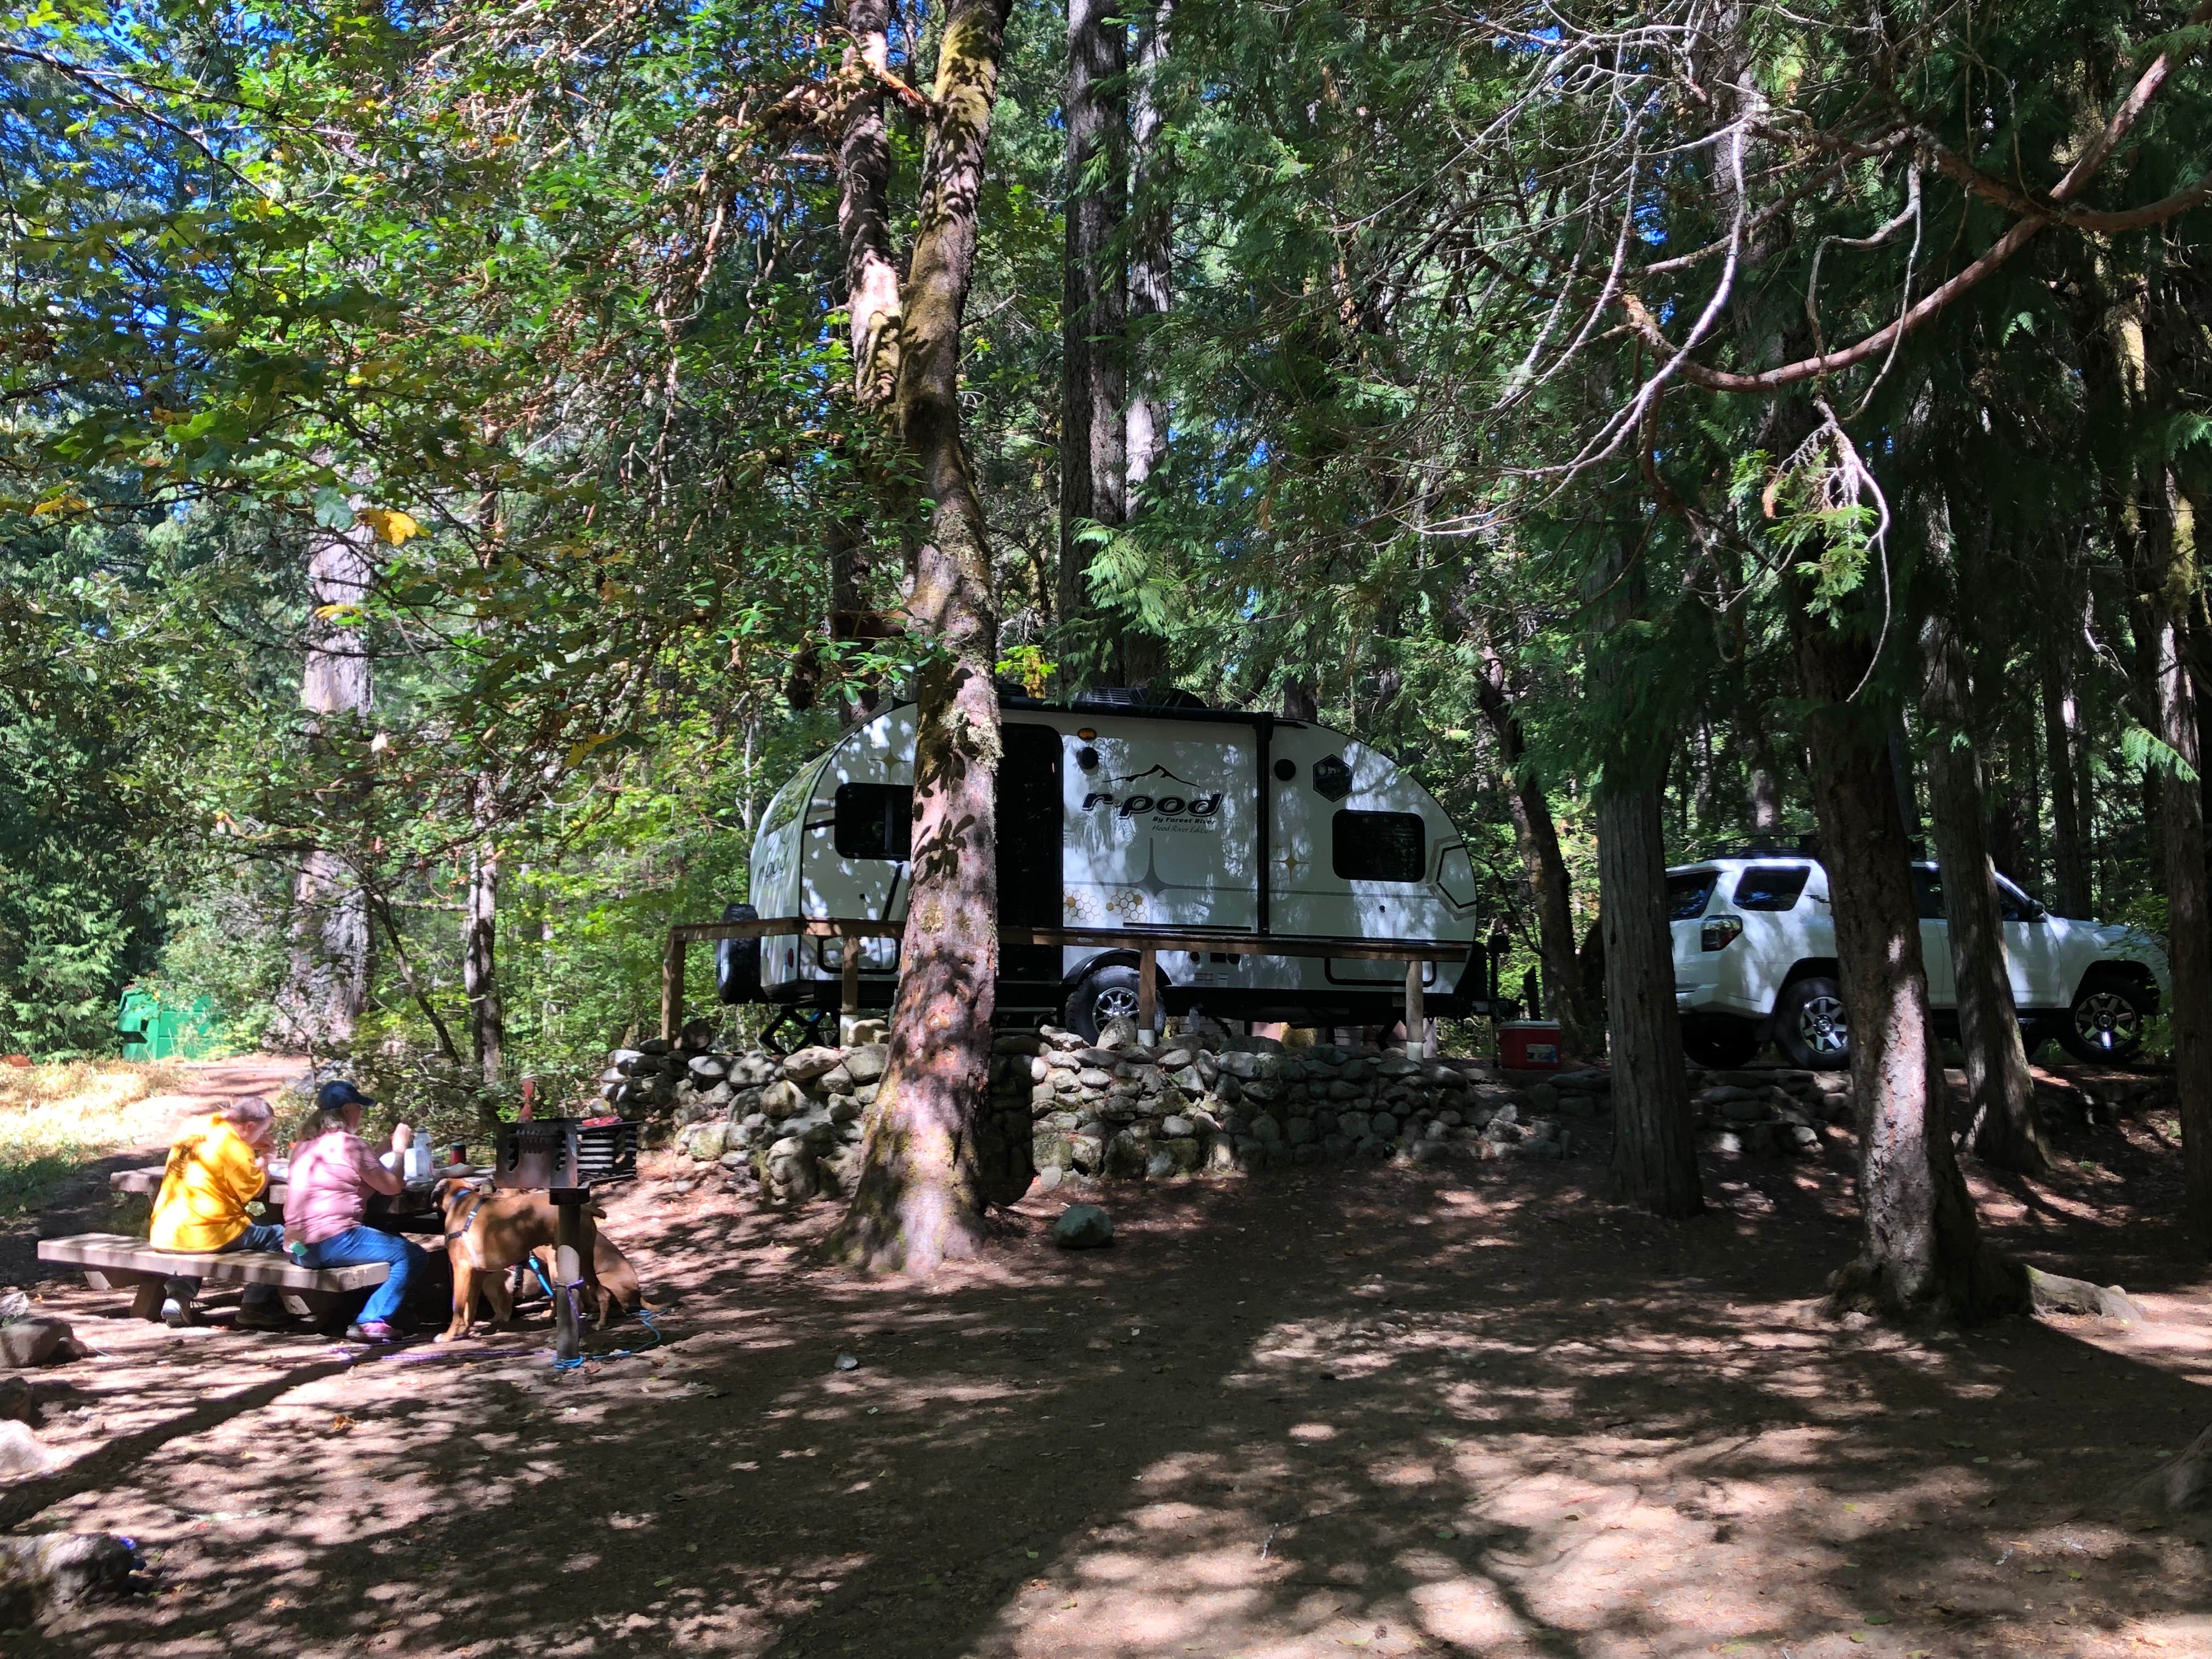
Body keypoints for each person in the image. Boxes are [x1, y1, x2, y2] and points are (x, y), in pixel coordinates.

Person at [285, 1080, 427, 1343]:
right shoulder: (351, 1144)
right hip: (332, 1242)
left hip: (298, 1249)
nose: (362, 1114)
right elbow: (392, 1187)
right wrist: (398, 1152)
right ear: (349, 1109)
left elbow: (351, 1179)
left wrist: (379, 1151)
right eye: (360, 1108)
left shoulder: (304, 1145)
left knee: (385, 1242)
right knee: (412, 1255)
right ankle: (371, 1320)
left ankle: (369, 1309)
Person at [148, 1095, 285, 1329]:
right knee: (281, 1235)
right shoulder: (233, 1148)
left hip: (166, 1229)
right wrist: (267, 1159)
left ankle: (177, 1297)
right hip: (210, 1231)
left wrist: (250, 1145)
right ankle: (256, 1304)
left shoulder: (195, 1126)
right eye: (264, 1131)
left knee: (194, 1244)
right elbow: (255, 1189)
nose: (264, 1136)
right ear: (249, 1126)